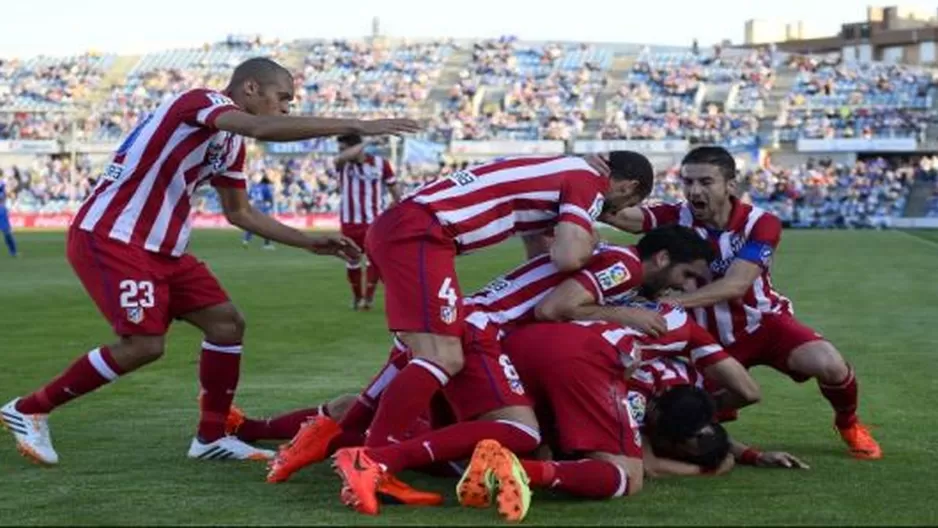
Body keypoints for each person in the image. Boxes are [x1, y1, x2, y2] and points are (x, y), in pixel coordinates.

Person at [0, 57, 420, 465]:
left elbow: (240, 212)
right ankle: (30, 407)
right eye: (283, 97)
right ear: (251, 88)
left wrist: (307, 242)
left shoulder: (231, 142)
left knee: (226, 322)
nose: (287, 107)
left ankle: (212, 437)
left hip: (163, 248)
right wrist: (355, 125)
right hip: (112, 236)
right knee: (144, 345)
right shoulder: (199, 100)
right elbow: (260, 126)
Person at [266, 226, 707, 486]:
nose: (687, 288)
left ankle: (292, 440)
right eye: (687, 275)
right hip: (481, 330)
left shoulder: (600, 251)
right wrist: (624, 314)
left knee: (373, 408)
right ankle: (378, 462)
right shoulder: (625, 263)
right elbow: (551, 309)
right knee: (518, 431)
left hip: (459, 317)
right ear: (663, 256)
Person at [352, 152, 655, 474]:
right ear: (628, 188)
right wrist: (590, 244)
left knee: (429, 354)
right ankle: (373, 463)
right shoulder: (590, 180)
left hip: (410, 226)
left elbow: (542, 253)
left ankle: (342, 440)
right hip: (424, 231)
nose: (611, 213)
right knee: (442, 357)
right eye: (620, 207)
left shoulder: (562, 170)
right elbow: (568, 257)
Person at [601, 145, 882, 460]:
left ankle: (849, 424)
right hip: (702, 336)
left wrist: (674, 304)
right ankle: (713, 416)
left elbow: (736, 285)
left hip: (762, 323)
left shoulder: (760, 223)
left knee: (829, 364)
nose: (694, 191)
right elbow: (617, 213)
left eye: (705, 182)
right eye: (688, 182)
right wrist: (589, 182)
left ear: (730, 185)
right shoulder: (672, 216)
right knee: (683, 414)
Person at [334, 134, 401, 310]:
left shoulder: (381, 164)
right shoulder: (343, 164)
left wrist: (393, 210)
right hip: (349, 223)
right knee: (353, 260)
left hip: (373, 223)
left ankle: (368, 299)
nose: (340, 153)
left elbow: (396, 191)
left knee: (374, 261)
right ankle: (357, 297)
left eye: (343, 148)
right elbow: (340, 158)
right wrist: (368, 141)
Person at [242, 174, 275, 249]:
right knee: (267, 226)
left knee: (252, 225)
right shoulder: (265, 187)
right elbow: (269, 197)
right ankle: (267, 244)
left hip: (254, 206)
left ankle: (245, 240)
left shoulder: (253, 187)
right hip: (263, 207)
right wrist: (270, 204)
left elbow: (249, 197)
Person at [0, 176, 18, 257]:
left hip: (1, 210)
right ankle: (13, 251)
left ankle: (13, 252)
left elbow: (9, 192)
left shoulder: (2, 185)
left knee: (7, 233)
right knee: (7, 233)